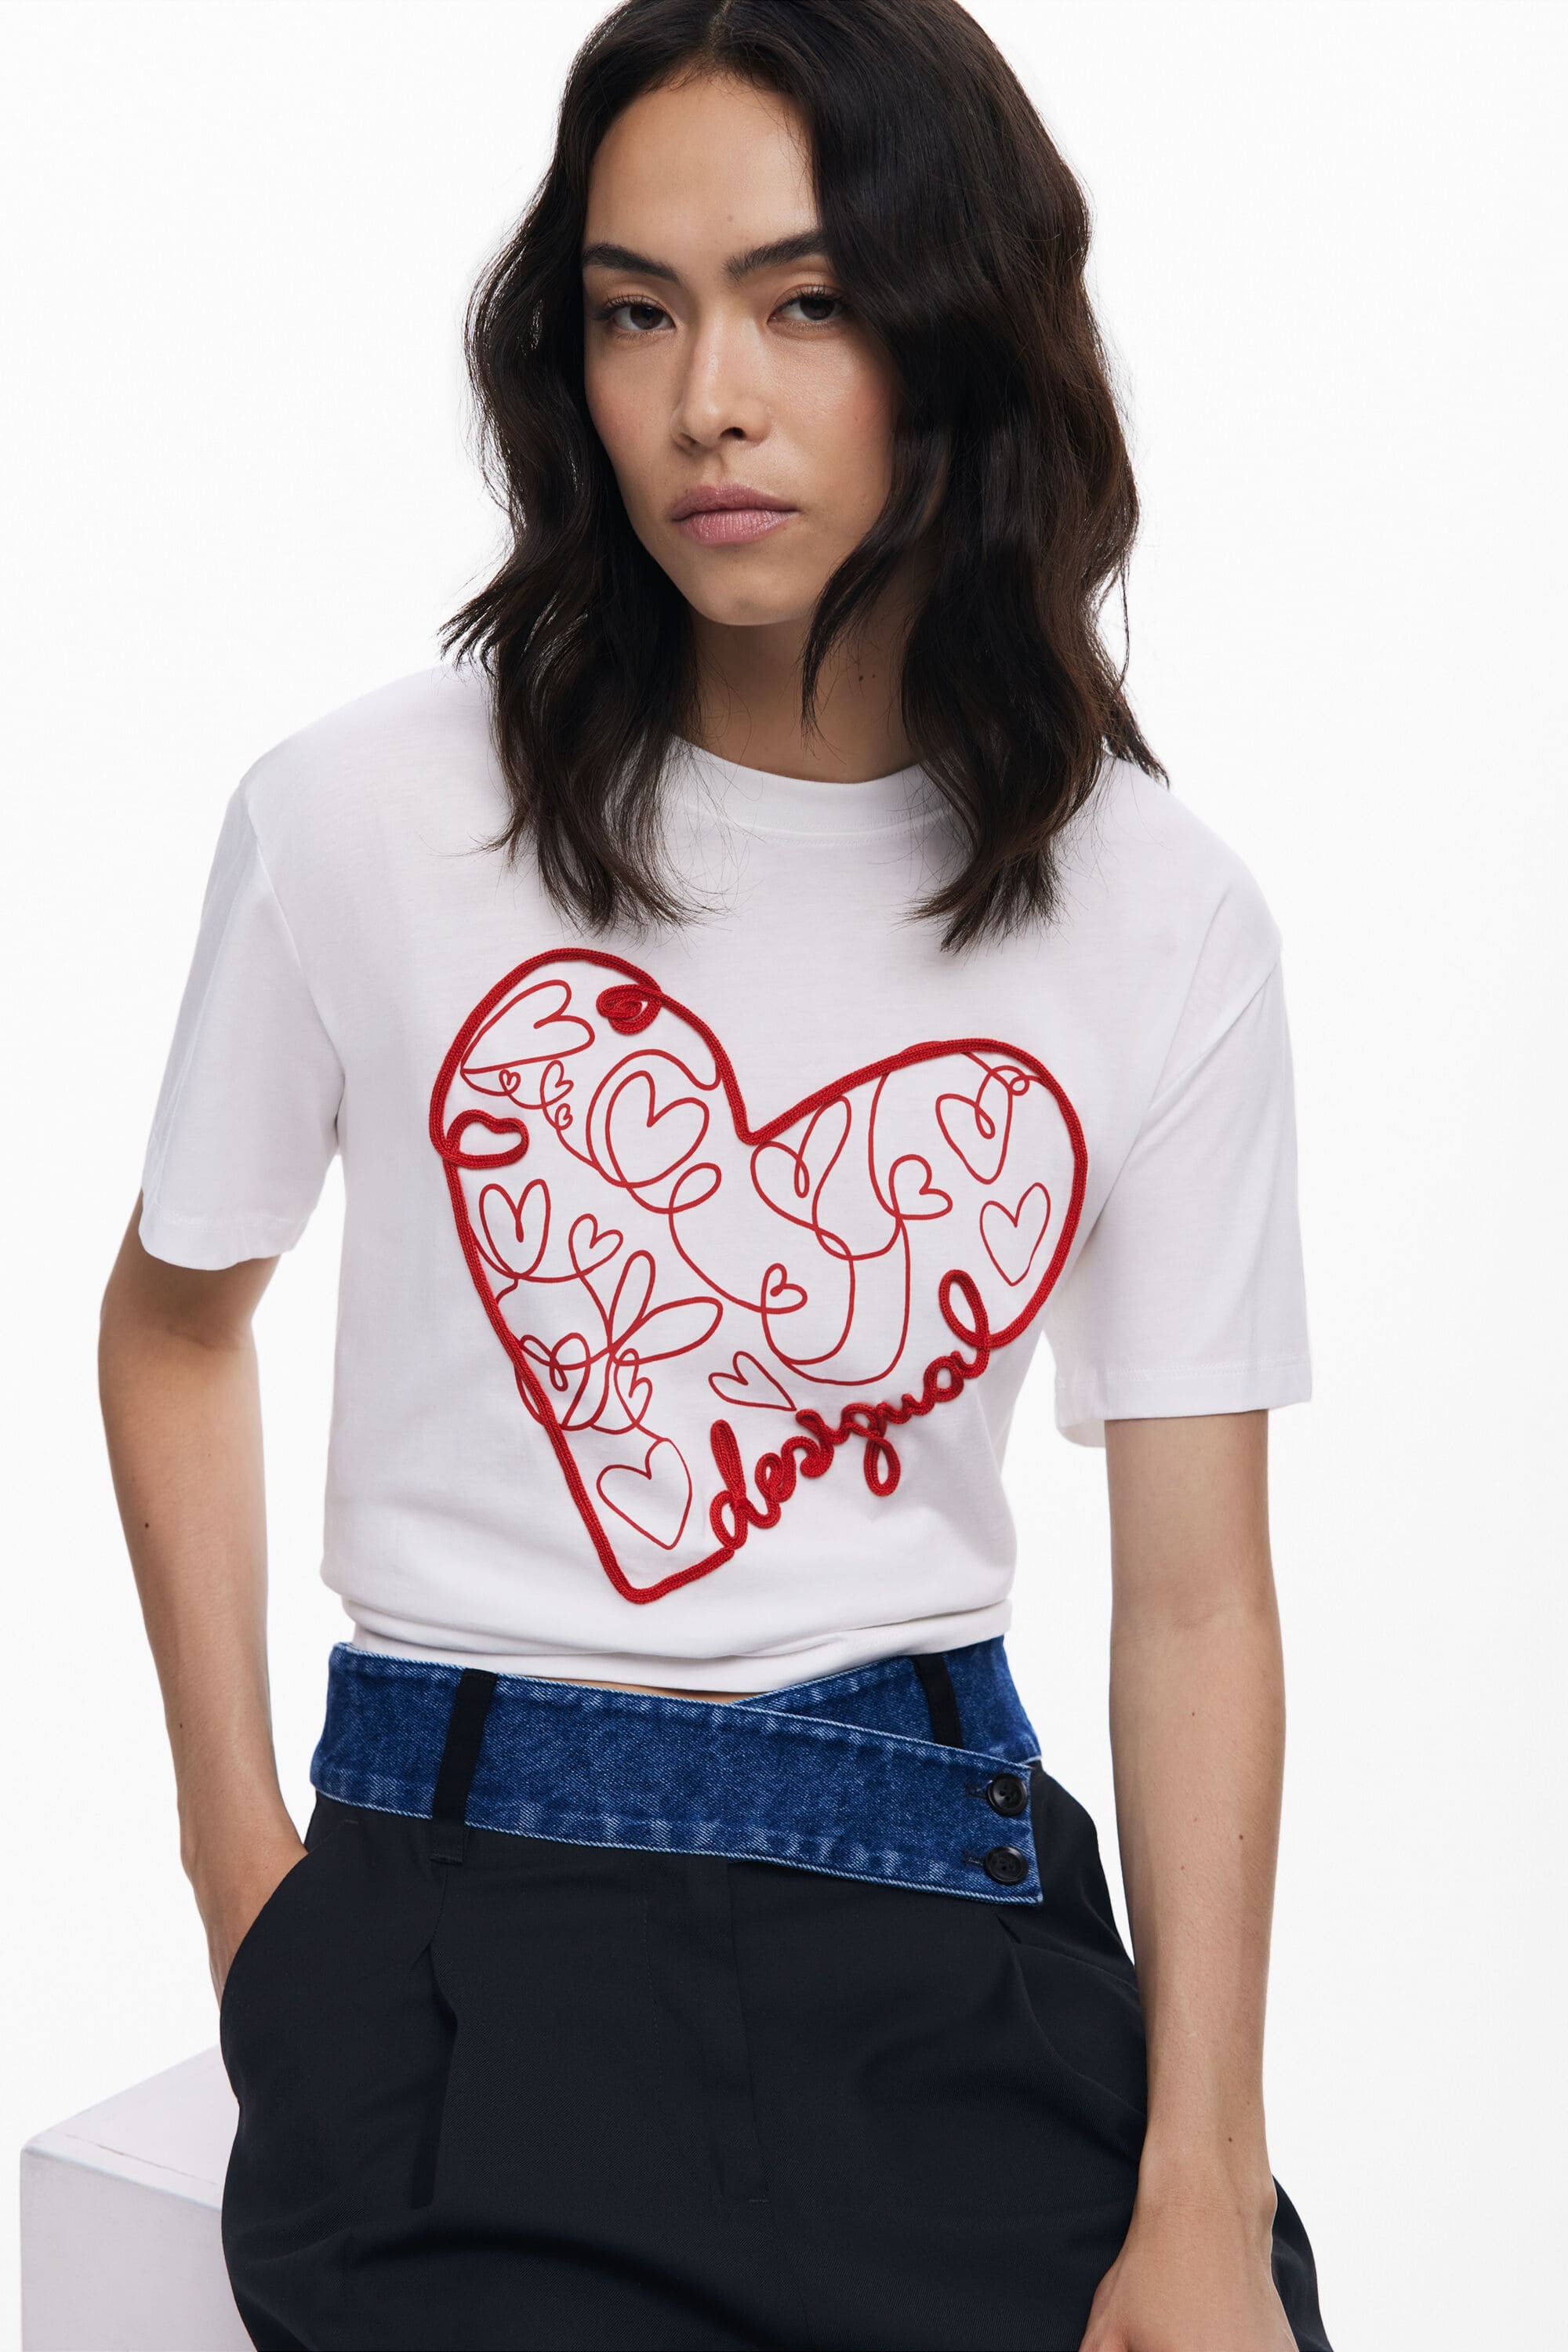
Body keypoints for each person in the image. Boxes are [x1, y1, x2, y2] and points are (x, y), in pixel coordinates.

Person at [97, 2, 1335, 2347]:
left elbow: (1198, 1604)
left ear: (959, 333)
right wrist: (245, 1875)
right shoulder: (361, 816)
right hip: (455, 1933)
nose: (710, 403)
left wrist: (1201, 2186)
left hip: (952, 1917)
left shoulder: (1158, 914)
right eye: (636, 312)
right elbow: (172, 1327)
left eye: (808, 300)